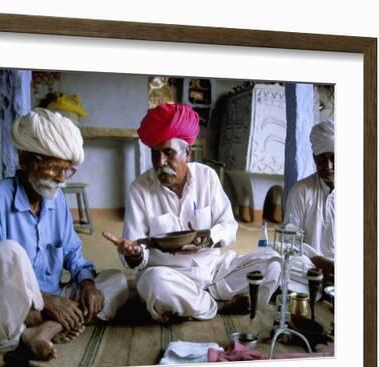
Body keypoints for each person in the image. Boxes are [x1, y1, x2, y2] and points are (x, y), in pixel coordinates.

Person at [103, 103, 281, 323]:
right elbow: (135, 249)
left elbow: (229, 226)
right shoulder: (140, 189)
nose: (160, 163)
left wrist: (206, 240)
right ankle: (216, 305)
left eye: (168, 153)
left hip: (214, 270)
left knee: (273, 262)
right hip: (169, 275)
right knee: (152, 284)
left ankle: (196, 302)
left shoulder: (207, 177)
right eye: (155, 154)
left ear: (187, 153)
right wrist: (135, 254)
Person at [0, 108, 128, 365]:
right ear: (25, 160)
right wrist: (45, 301)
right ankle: (31, 329)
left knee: (116, 282)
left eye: (67, 170)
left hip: (55, 298)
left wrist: (87, 285)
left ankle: (44, 330)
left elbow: (73, 252)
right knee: (8, 251)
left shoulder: (56, 198)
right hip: (15, 308)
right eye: (53, 168)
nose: (61, 179)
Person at [285, 119, 335, 282]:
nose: (328, 166)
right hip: (309, 267)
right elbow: (288, 242)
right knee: (278, 263)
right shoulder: (301, 191)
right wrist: (316, 259)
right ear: (314, 158)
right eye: (321, 159)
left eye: (334, 158)